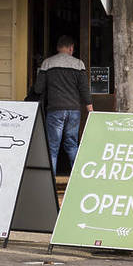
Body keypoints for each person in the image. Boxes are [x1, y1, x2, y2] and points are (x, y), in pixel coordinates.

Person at [33, 35, 93, 172]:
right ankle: (78, 177)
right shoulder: (79, 64)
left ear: (58, 48)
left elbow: (38, 88)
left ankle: (51, 182)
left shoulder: (47, 63)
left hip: (55, 110)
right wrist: (90, 109)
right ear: (71, 48)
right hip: (74, 111)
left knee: (52, 148)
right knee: (72, 145)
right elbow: (84, 89)